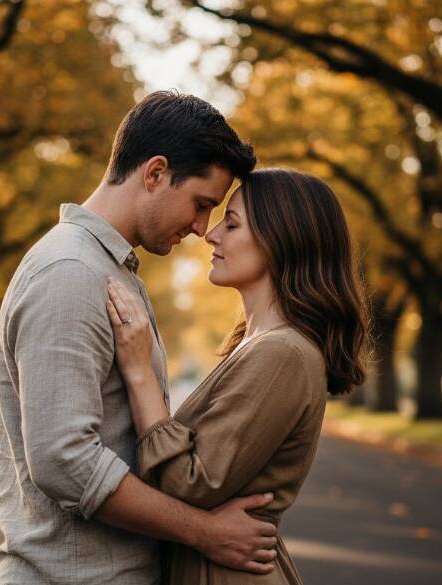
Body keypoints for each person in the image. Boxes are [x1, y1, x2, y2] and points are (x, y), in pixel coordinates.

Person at [0, 91, 280, 584]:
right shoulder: (70, 273)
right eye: (201, 204)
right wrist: (204, 531)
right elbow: (65, 461)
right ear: (155, 173)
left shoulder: (106, 268)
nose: (200, 228)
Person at [105, 168, 369, 584]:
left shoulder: (283, 353)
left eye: (232, 224)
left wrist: (139, 373)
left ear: (280, 240)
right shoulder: (259, 344)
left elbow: (188, 483)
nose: (210, 235)